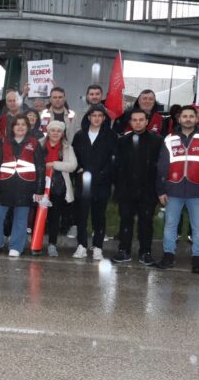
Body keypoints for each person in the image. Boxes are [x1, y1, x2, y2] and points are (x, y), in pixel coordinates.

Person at [156, 105, 199, 274]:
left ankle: (197, 260)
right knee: (170, 226)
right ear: (179, 118)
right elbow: (162, 165)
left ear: (197, 119)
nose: (188, 119)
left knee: (198, 227)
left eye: (192, 116)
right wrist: (161, 190)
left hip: (198, 191)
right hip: (173, 190)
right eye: (185, 116)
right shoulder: (169, 138)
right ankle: (168, 256)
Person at [0, 115, 45, 257]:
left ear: (28, 127)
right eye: (17, 124)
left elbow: (40, 168)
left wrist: (39, 190)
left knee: (21, 218)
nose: (20, 127)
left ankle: (16, 246)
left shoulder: (34, 143)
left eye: (23, 125)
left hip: (25, 187)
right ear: (12, 127)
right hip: (4, 186)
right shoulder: (4, 142)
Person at [111, 109, 162, 265]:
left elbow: (160, 167)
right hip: (126, 190)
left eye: (141, 119)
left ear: (147, 122)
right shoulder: (122, 141)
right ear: (130, 122)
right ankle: (124, 250)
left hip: (148, 190)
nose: (138, 122)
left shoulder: (157, 141)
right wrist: (118, 186)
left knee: (146, 222)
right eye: (134, 120)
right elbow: (116, 165)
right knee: (125, 221)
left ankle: (145, 252)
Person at [71, 105, 117, 260]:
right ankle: (82, 246)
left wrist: (103, 174)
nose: (97, 118)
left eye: (100, 115)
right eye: (94, 115)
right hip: (82, 183)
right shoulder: (80, 135)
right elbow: (73, 156)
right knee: (81, 216)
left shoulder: (111, 136)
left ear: (104, 118)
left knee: (99, 216)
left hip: (102, 183)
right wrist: (78, 169)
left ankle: (98, 247)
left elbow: (113, 159)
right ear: (89, 117)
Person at [37, 120, 78, 257]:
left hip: (58, 187)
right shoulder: (39, 144)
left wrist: (53, 164)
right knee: (37, 215)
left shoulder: (67, 147)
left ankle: (52, 245)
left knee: (54, 217)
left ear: (62, 133)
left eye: (58, 131)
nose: (55, 133)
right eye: (52, 130)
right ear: (48, 131)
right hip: (39, 185)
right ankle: (36, 242)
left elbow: (72, 166)